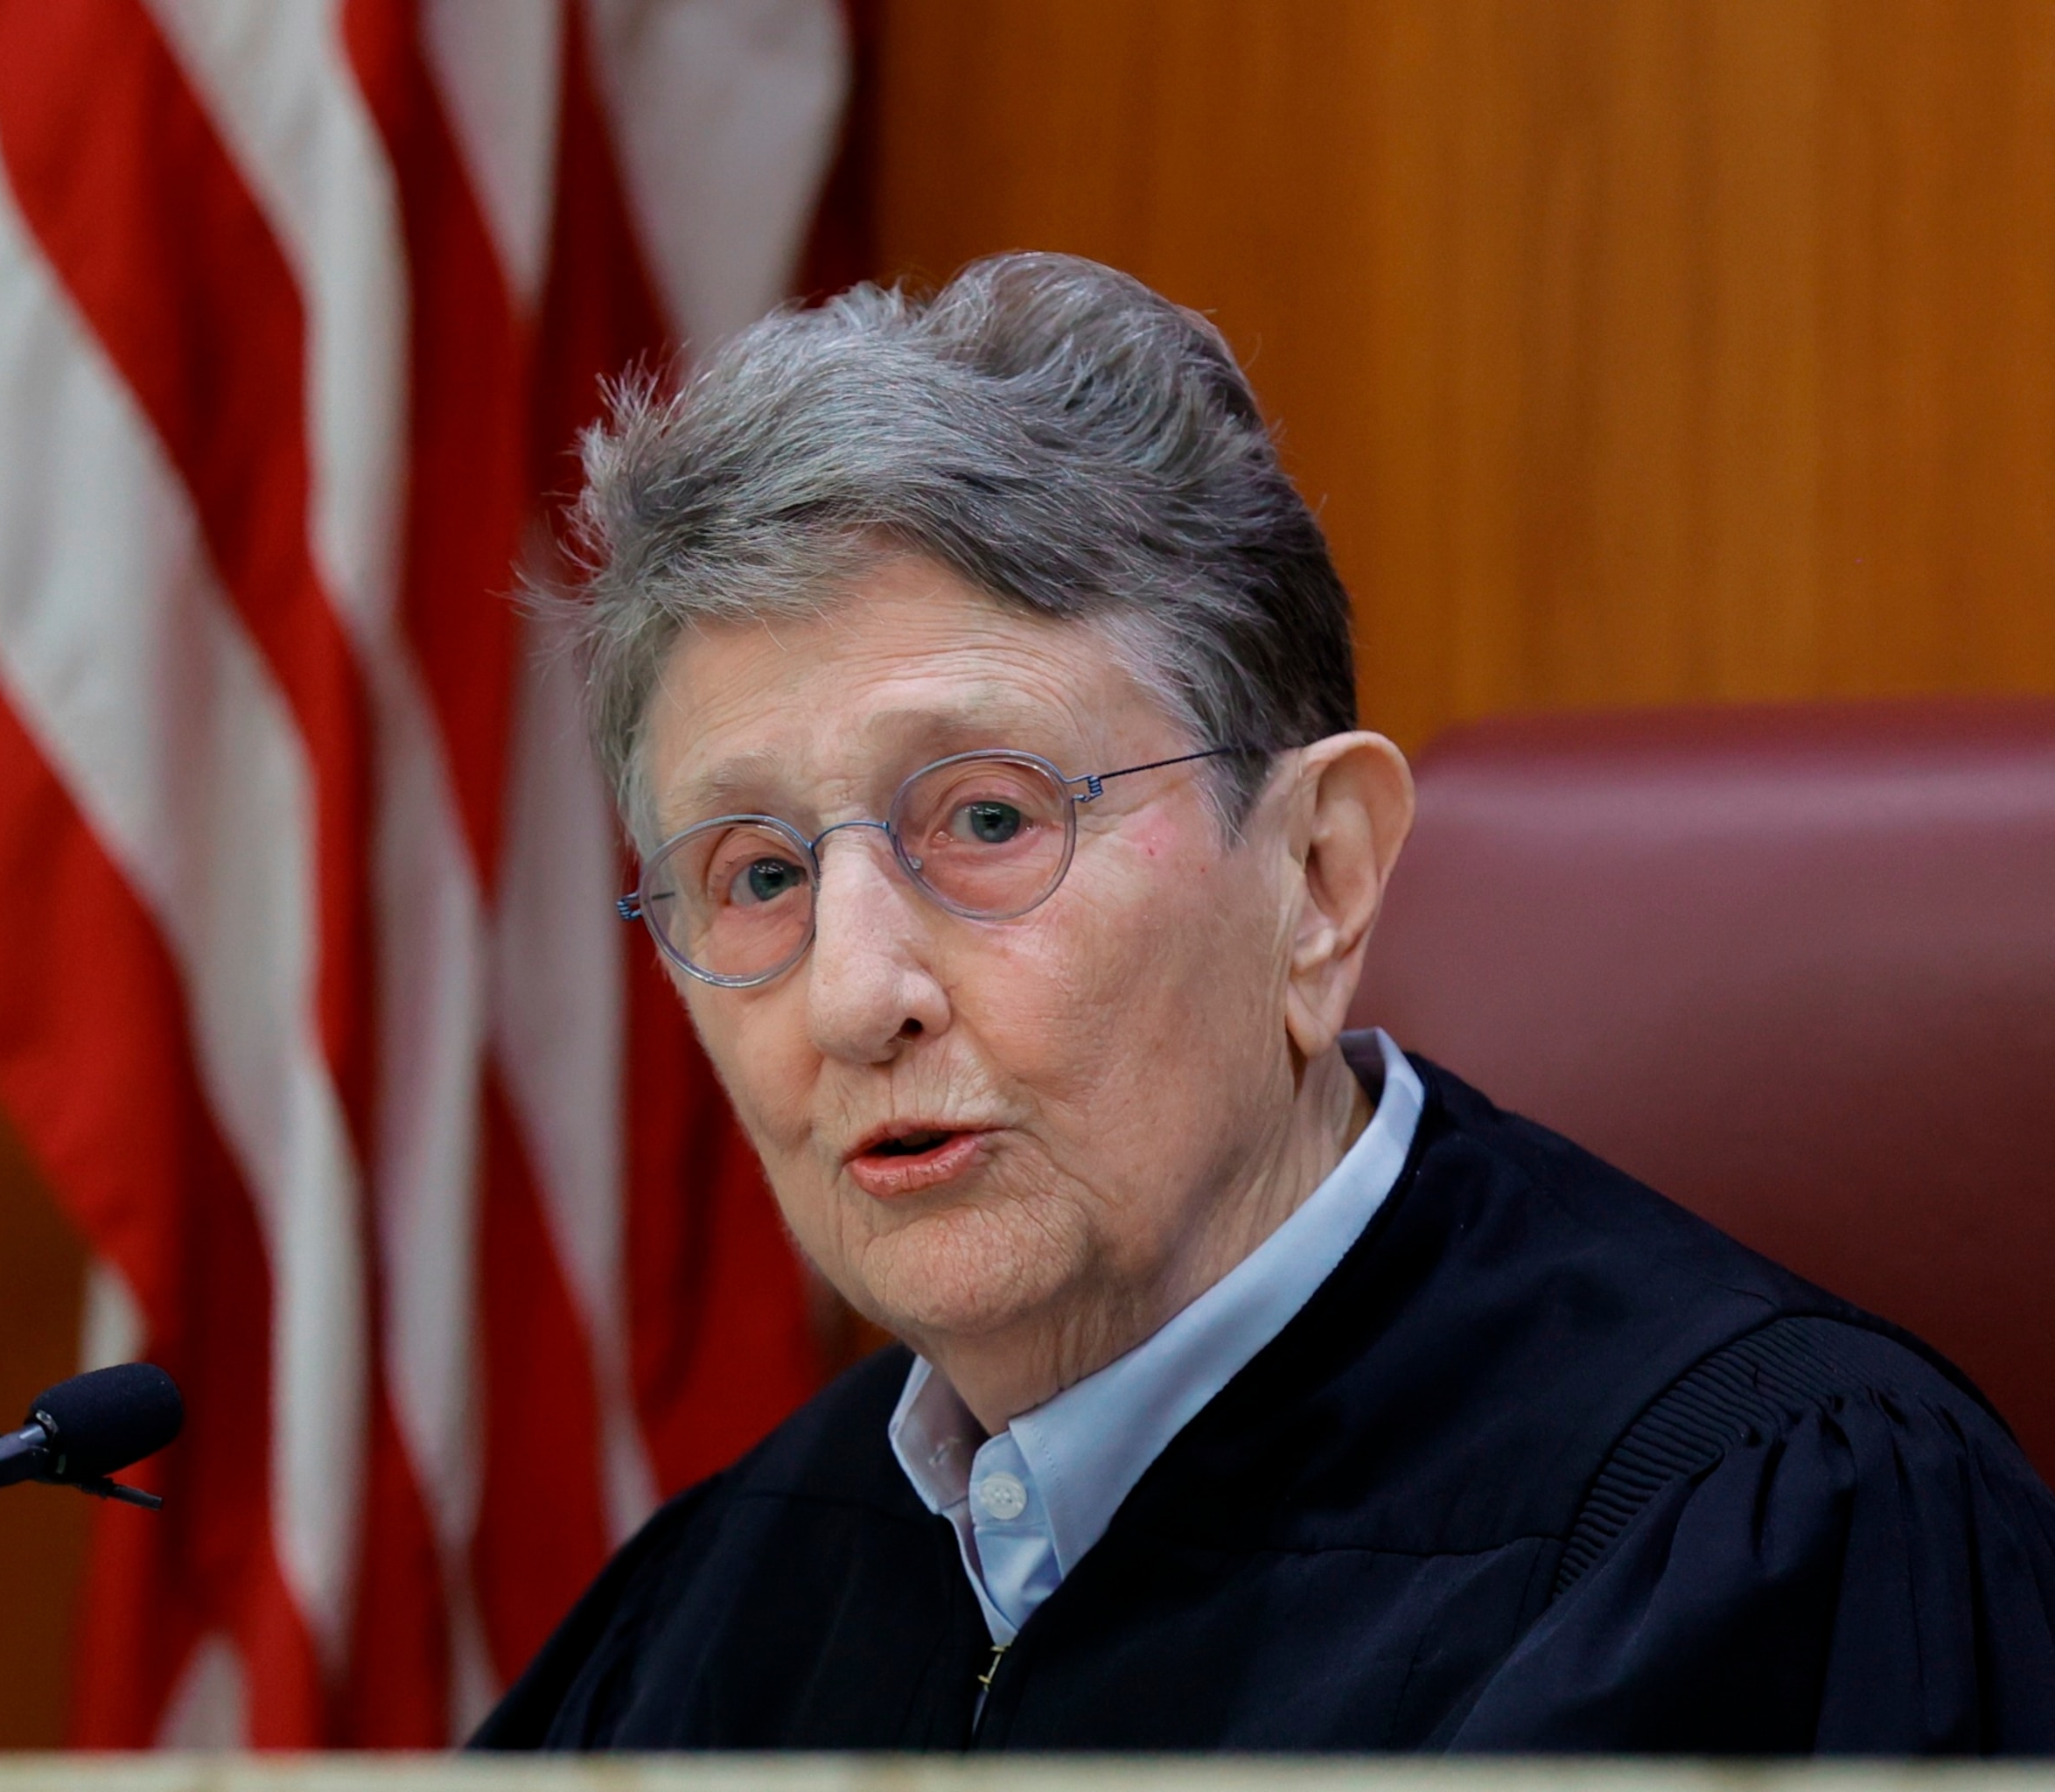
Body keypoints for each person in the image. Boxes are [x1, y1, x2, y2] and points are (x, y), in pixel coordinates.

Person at [472, 254, 2055, 1753]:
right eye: (756, 875)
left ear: (1317, 879)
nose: (852, 995)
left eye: (989, 821)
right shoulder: (709, 1614)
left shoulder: (1770, 1540)